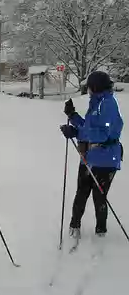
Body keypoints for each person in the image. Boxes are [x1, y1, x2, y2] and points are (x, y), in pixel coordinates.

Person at [60, 70, 123, 239]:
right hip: (90, 156)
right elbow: (89, 126)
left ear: (95, 87)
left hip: (105, 158)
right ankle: (74, 227)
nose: (87, 90)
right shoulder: (96, 102)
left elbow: (102, 134)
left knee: (99, 196)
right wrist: (73, 117)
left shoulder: (108, 104)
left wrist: (76, 133)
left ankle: (100, 233)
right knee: (81, 193)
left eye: (89, 87)